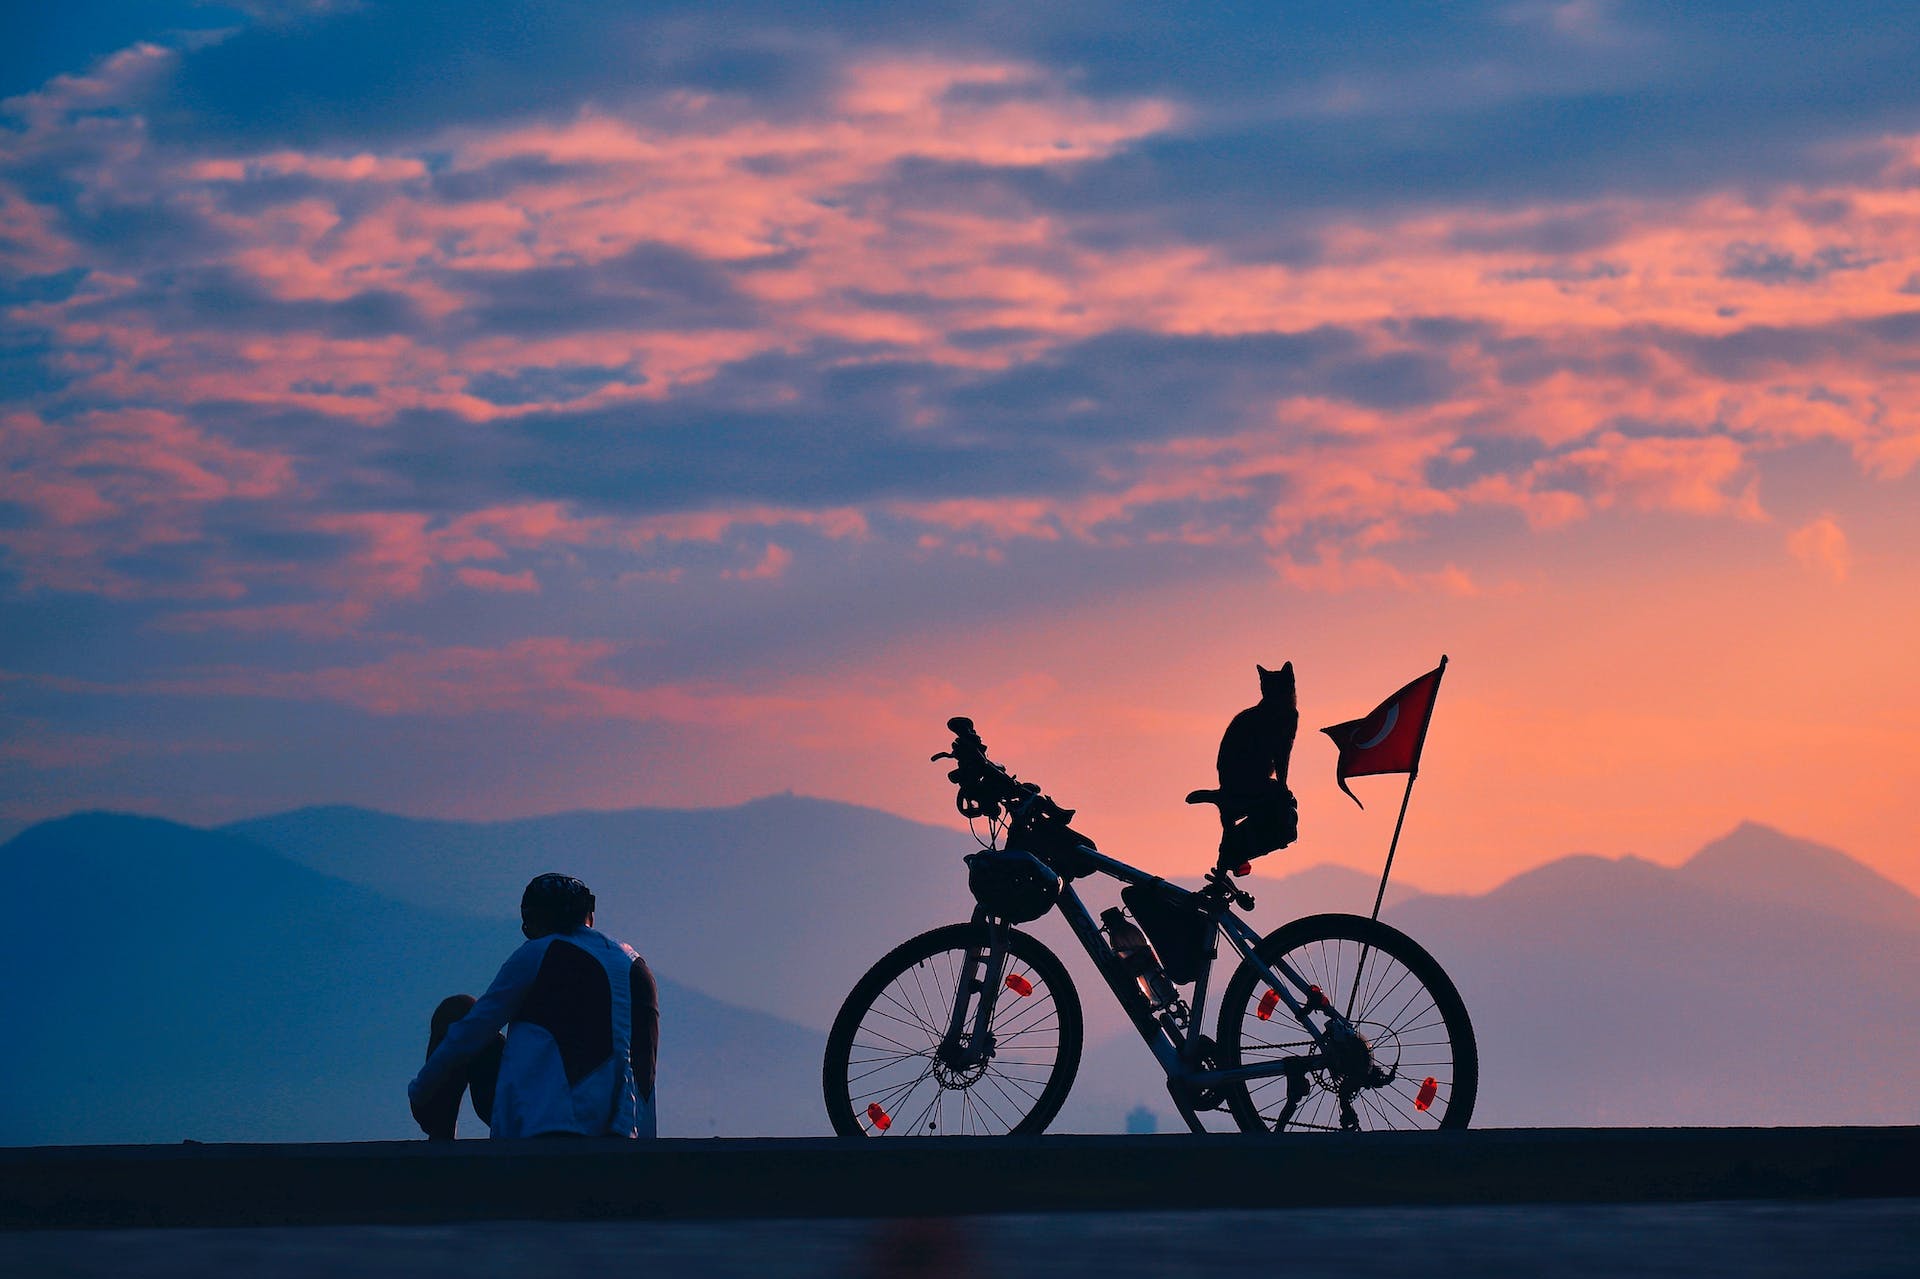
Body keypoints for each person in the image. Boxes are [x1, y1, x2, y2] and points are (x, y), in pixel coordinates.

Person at [408, 873, 659, 1139]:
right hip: (630, 1136)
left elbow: (470, 1032)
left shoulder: (541, 951)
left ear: (534, 920)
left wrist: (421, 1092)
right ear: (589, 915)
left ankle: (439, 1147)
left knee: (457, 1010)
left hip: (552, 1125)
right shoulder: (636, 964)